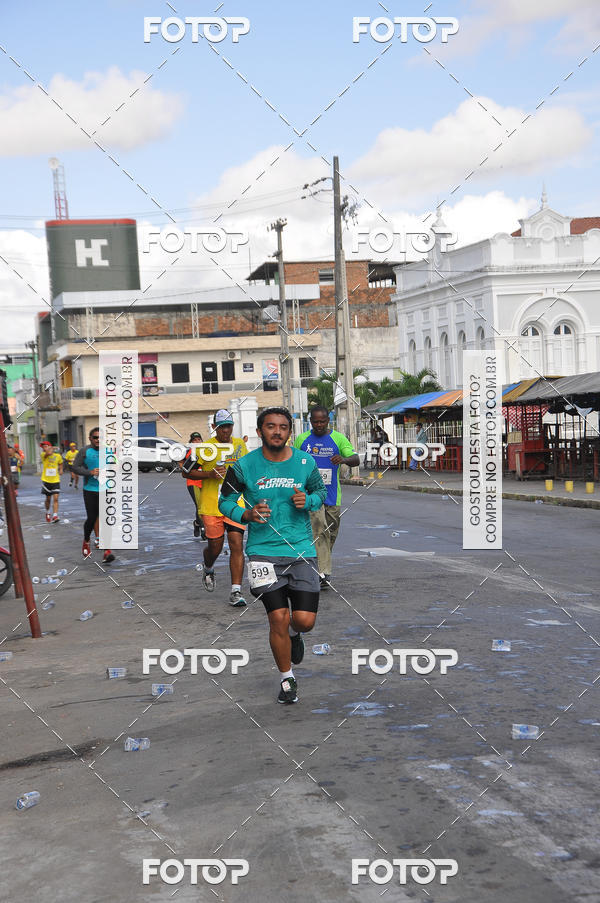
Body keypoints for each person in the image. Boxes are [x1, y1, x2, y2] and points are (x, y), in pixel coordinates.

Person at [219, 406, 326, 704]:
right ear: (259, 431)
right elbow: (224, 501)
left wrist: (309, 500)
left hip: (301, 550)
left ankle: (294, 633)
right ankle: (287, 678)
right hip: (262, 553)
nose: (277, 432)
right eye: (270, 426)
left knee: (304, 621)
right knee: (277, 617)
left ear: (290, 431)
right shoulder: (243, 466)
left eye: (283, 427)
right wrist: (246, 514)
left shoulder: (305, 463)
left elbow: (320, 493)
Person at [183, 410, 248, 607]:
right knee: (215, 547)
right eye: (221, 427)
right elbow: (185, 471)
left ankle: (236, 591)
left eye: (229, 426)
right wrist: (209, 474)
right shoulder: (204, 448)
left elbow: (247, 469)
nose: (226, 430)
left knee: (236, 543)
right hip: (211, 505)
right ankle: (209, 566)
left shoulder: (239, 445)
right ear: (214, 427)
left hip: (235, 503)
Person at [294, 406, 359, 590]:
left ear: (328, 421)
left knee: (330, 533)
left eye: (322, 421)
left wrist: (343, 460)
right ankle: (323, 573)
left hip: (332, 496)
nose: (319, 425)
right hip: (311, 496)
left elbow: (355, 459)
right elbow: (292, 460)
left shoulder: (338, 438)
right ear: (310, 422)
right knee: (319, 529)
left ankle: (319, 564)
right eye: (315, 422)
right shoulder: (302, 439)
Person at [71, 427, 115, 563]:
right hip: (90, 489)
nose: (98, 440)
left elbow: (115, 465)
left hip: (106, 489)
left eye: (100, 437)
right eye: (95, 437)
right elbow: (75, 467)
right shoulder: (85, 451)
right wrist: (89, 472)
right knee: (91, 518)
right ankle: (86, 541)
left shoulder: (109, 450)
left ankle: (107, 551)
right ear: (90, 438)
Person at [184, 431, 205, 539]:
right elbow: (186, 468)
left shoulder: (207, 451)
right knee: (199, 506)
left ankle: (197, 523)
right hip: (193, 483)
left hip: (204, 482)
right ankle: (203, 528)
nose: (197, 442)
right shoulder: (190, 453)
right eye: (194, 440)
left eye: (199, 439)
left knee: (205, 505)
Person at [40, 441, 63, 522]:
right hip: (46, 480)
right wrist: (52, 448)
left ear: (49, 446)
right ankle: (48, 512)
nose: (44, 448)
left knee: (56, 498)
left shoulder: (58, 456)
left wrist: (61, 469)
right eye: (43, 447)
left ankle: (55, 515)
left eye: (45, 446)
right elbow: (48, 453)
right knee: (48, 499)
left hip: (55, 480)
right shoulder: (43, 454)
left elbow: (60, 463)